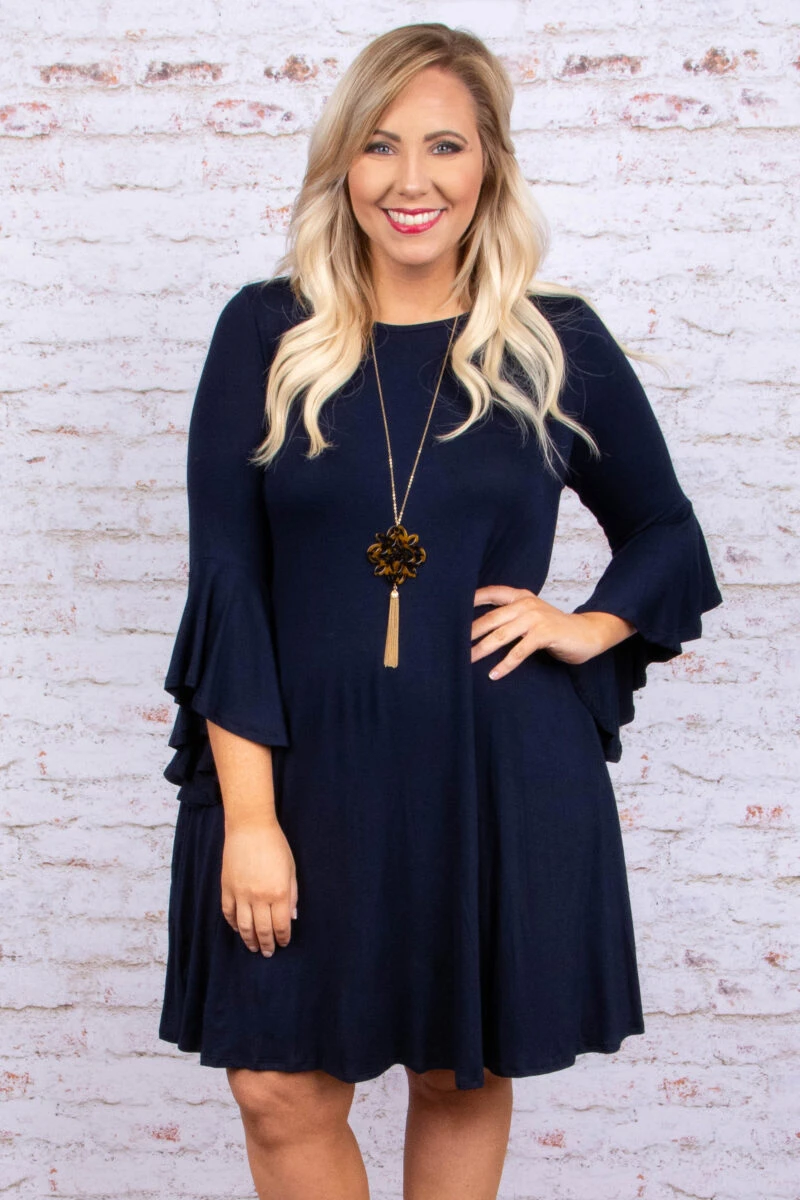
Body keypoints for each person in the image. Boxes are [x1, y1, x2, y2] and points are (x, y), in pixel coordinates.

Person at [157, 22, 722, 1200]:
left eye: (443, 146)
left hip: (490, 769)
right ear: (341, 164)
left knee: (457, 1074)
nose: (408, 180)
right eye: (378, 146)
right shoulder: (264, 331)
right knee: (276, 1089)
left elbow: (664, 532)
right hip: (297, 777)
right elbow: (227, 583)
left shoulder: (552, 341)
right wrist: (249, 819)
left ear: (488, 165)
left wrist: (585, 625)